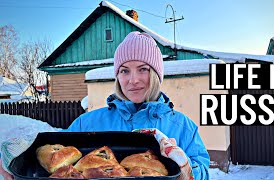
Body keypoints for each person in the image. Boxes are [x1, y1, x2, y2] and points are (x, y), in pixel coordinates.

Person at [0, 31, 210, 180]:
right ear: (117, 76)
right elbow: (56, 163)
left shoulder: (184, 127)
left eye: (143, 69)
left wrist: (187, 172)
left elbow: (203, 171)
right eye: (124, 71)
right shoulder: (87, 123)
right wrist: (15, 159)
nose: (133, 80)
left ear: (156, 74)